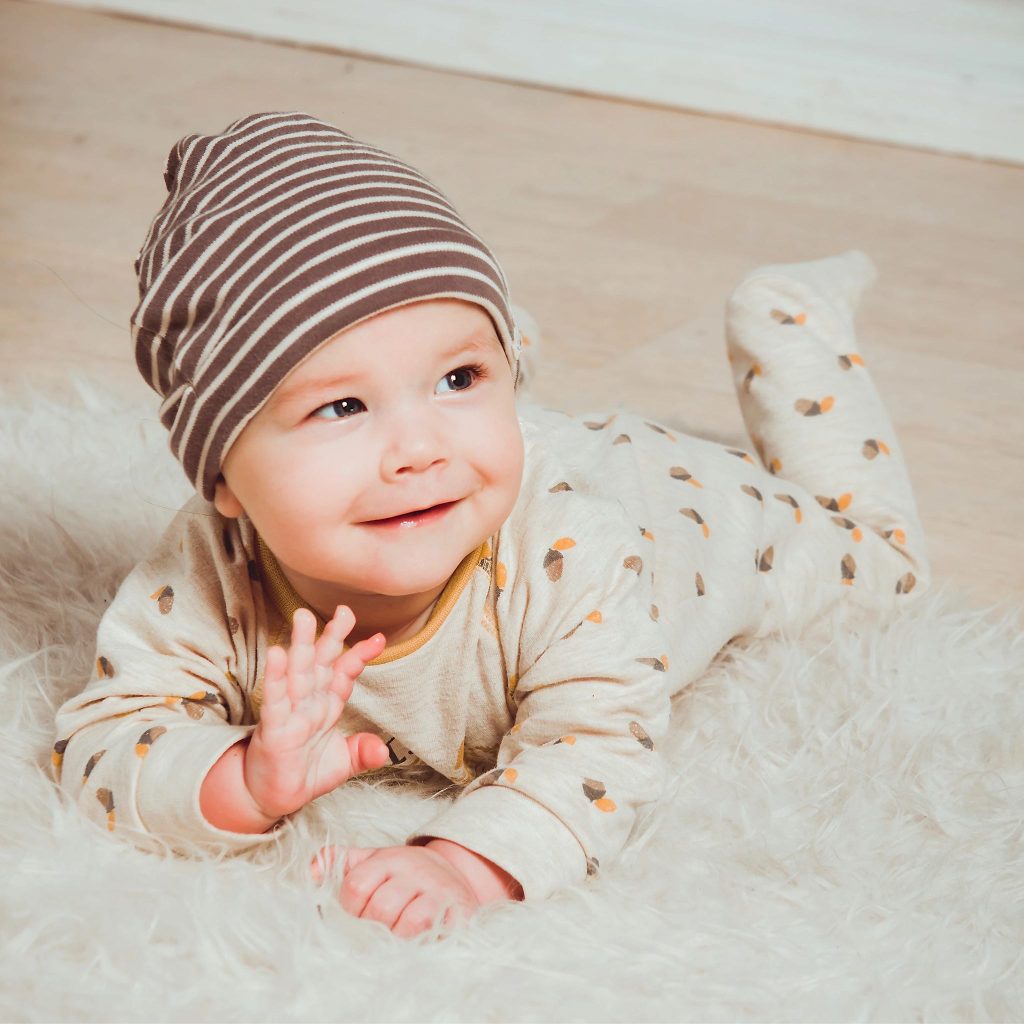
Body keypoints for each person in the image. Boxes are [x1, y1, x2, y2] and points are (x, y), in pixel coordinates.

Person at [53, 111, 929, 938]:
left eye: (459, 379)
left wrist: (466, 865)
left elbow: (595, 748)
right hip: (517, 461)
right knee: (470, 430)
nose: (417, 451)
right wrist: (238, 778)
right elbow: (103, 742)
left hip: (675, 506)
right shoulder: (207, 573)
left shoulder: (575, 552)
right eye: (343, 405)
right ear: (222, 477)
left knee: (883, 562)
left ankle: (787, 324)